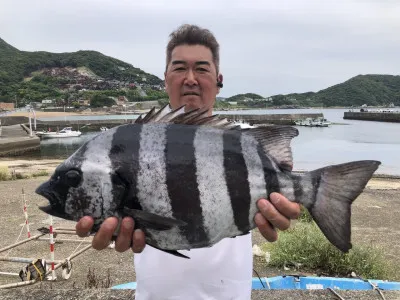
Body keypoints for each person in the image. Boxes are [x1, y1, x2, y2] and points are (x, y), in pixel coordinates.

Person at [76, 24, 300, 299]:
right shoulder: (134, 144)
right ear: (166, 78)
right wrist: (108, 224)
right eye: (180, 68)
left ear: (219, 80)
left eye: (202, 69)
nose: (191, 78)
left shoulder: (242, 144)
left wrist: (286, 207)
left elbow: (283, 195)